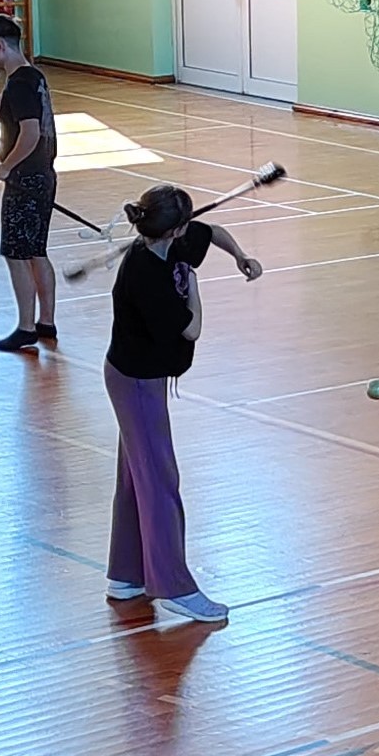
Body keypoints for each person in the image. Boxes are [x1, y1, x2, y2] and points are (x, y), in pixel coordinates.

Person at [102, 184, 263, 624]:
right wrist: (193, 285)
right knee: (159, 481)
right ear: (173, 229)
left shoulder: (171, 241)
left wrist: (240, 256)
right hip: (137, 382)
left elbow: (213, 232)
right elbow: (190, 329)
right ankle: (174, 587)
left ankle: (126, 575)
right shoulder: (145, 276)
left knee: (136, 478)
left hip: (139, 379)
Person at [0, 14, 59, 352]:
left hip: (25, 180)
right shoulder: (28, 77)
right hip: (42, 176)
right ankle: (46, 322)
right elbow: (5, 116)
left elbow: (29, 133)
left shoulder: (22, 83)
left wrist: (6, 167)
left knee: (17, 254)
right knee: (36, 251)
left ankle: (26, 327)